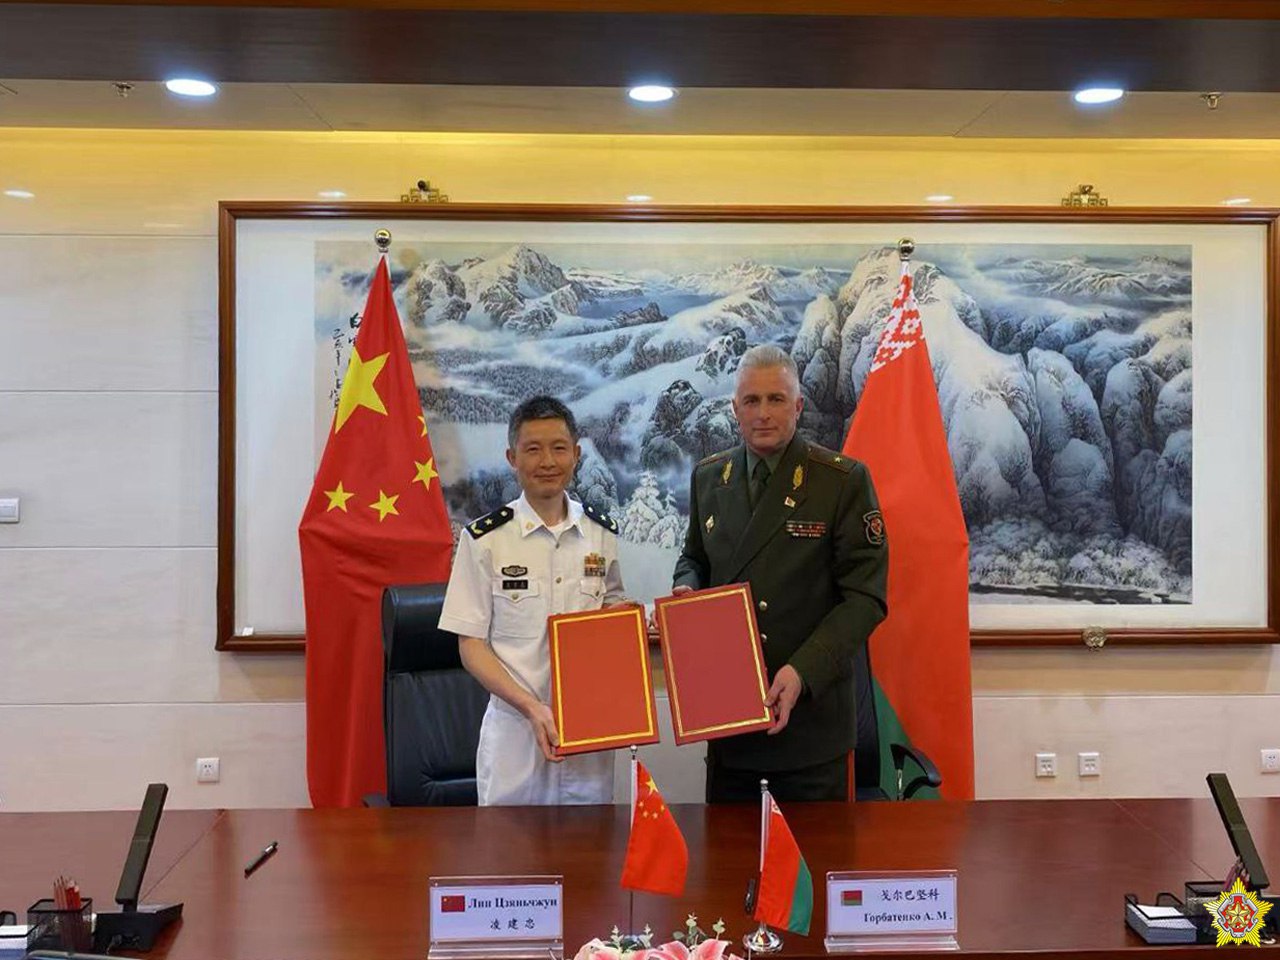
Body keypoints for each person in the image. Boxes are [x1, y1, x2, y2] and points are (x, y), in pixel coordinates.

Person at [672, 344, 888, 802]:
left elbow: (865, 598)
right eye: (752, 401)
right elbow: (694, 558)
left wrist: (802, 672)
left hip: (810, 728)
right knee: (729, 850)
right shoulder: (710, 478)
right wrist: (686, 588)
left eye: (776, 399)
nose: (763, 413)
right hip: (731, 723)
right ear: (735, 409)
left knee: (812, 852)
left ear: (798, 405)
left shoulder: (840, 481)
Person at [438, 395, 625, 806]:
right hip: (515, 738)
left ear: (576, 455)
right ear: (512, 457)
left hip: (589, 739)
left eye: (559, 448)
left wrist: (634, 621)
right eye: (533, 449)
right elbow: (470, 645)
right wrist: (530, 706)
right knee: (511, 847)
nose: (548, 462)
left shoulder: (601, 534)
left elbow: (612, 611)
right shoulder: (485, 541)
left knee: (590, 845)